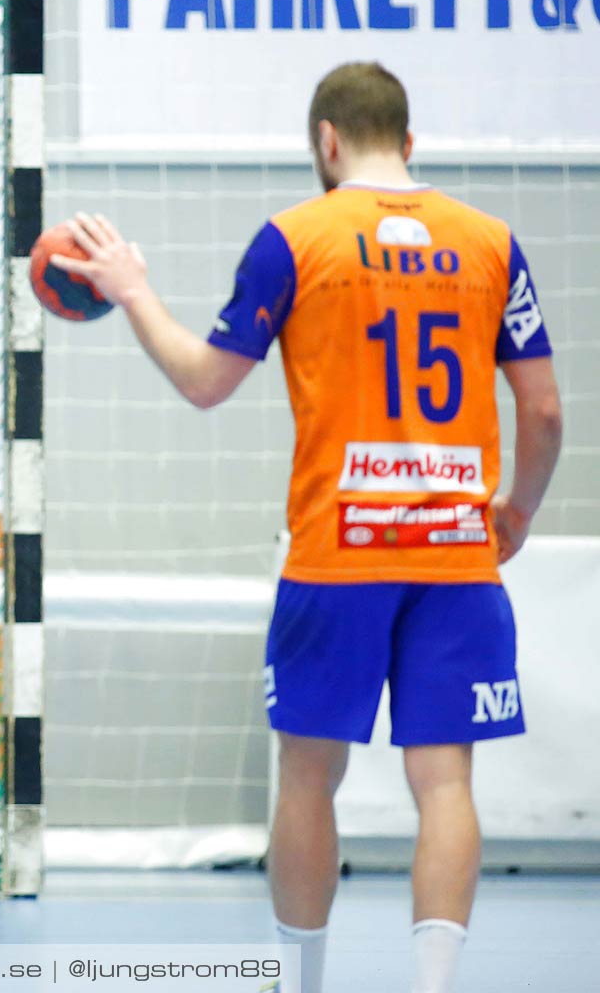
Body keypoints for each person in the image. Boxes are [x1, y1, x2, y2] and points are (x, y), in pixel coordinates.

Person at [52, 62, 563, 993]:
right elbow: (545, 415)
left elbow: (206, 381)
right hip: (456, 556)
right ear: (408, 143)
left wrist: (132, 290)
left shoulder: (295, 238)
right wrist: (516, 509)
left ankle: (301, 984)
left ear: (327, 142)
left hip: (340, 554)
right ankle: (434, 985)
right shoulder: (493, 244)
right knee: (445, 784)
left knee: (306, 781)